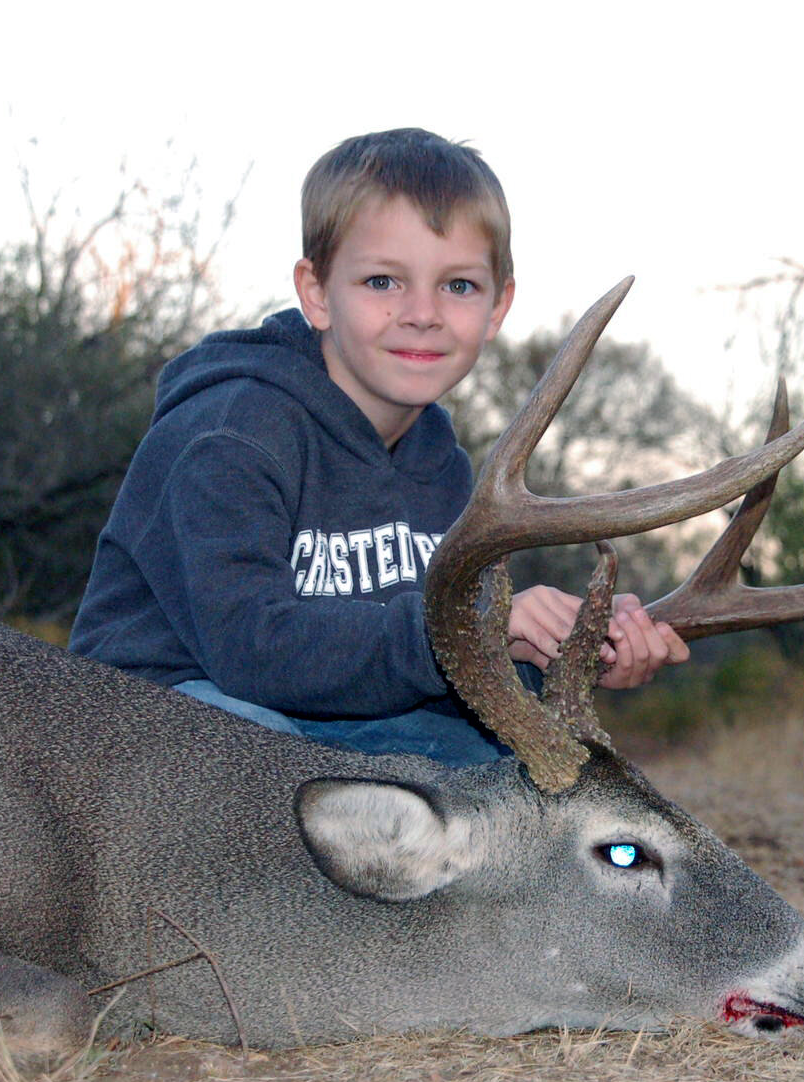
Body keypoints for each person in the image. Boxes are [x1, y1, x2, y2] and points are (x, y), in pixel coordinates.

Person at [70, 128, 687, 764]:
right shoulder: (233, 430)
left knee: (501, 767)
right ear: (316, 293)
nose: (422, 313)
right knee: (270, 758)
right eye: (383, 282)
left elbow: (425, 671)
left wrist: (566, 658)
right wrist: (478, 630)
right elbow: (252, 650)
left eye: (459, 286)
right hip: (148, 731)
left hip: (328, 727)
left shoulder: (441, 465)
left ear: (498, 306)